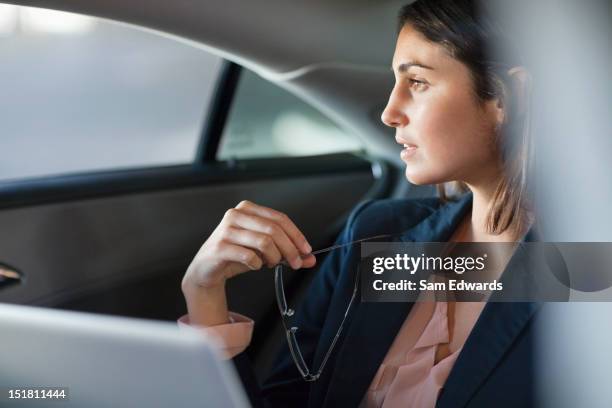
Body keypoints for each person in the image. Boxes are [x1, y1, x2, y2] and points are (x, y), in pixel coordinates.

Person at [179, 0, 539, 406]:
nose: (389, 112)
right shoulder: (374, 235)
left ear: (507, 98)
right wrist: (204, 295)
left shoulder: (588, 273)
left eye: (417, 82)